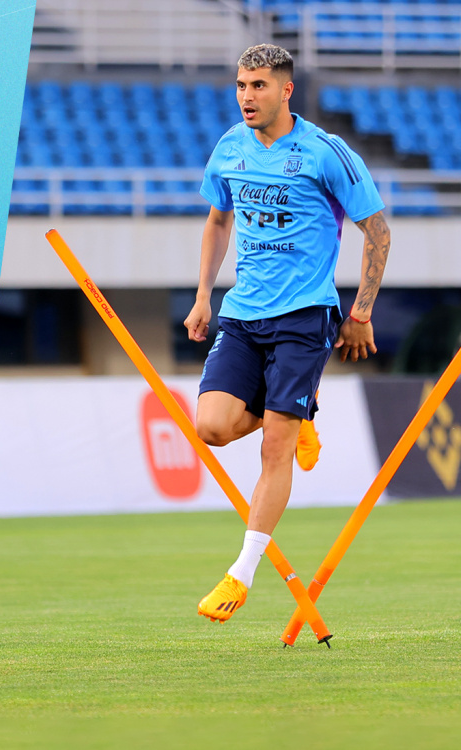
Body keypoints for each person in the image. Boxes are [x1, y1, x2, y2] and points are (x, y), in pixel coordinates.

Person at [184, 44, 391, 623]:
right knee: (212, 428)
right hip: (243, 313)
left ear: (285, 90)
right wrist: (203, 295)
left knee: (275, 447)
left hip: (306, 317)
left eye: (258, 86)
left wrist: (362, 312)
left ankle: (239, 575)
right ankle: (299, 411)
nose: (247, 96)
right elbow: (218, 220)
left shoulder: (327, 153)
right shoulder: (229, 148)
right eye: (241, 86)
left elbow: (377, 233)